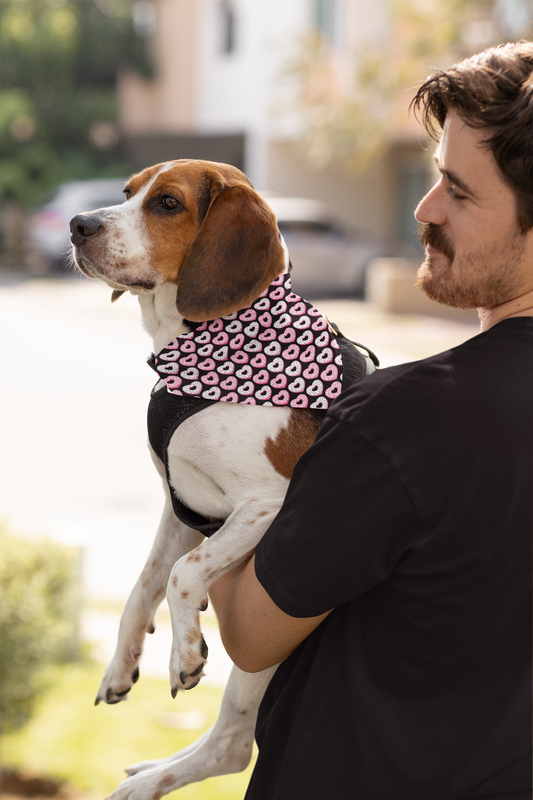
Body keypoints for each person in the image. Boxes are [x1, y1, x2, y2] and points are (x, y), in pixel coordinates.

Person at [210, 42, 533, 800]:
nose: (425, 209)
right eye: (433, 177)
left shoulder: (411, 419)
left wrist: (206, 460)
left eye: (457, 190)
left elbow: (251, 634)